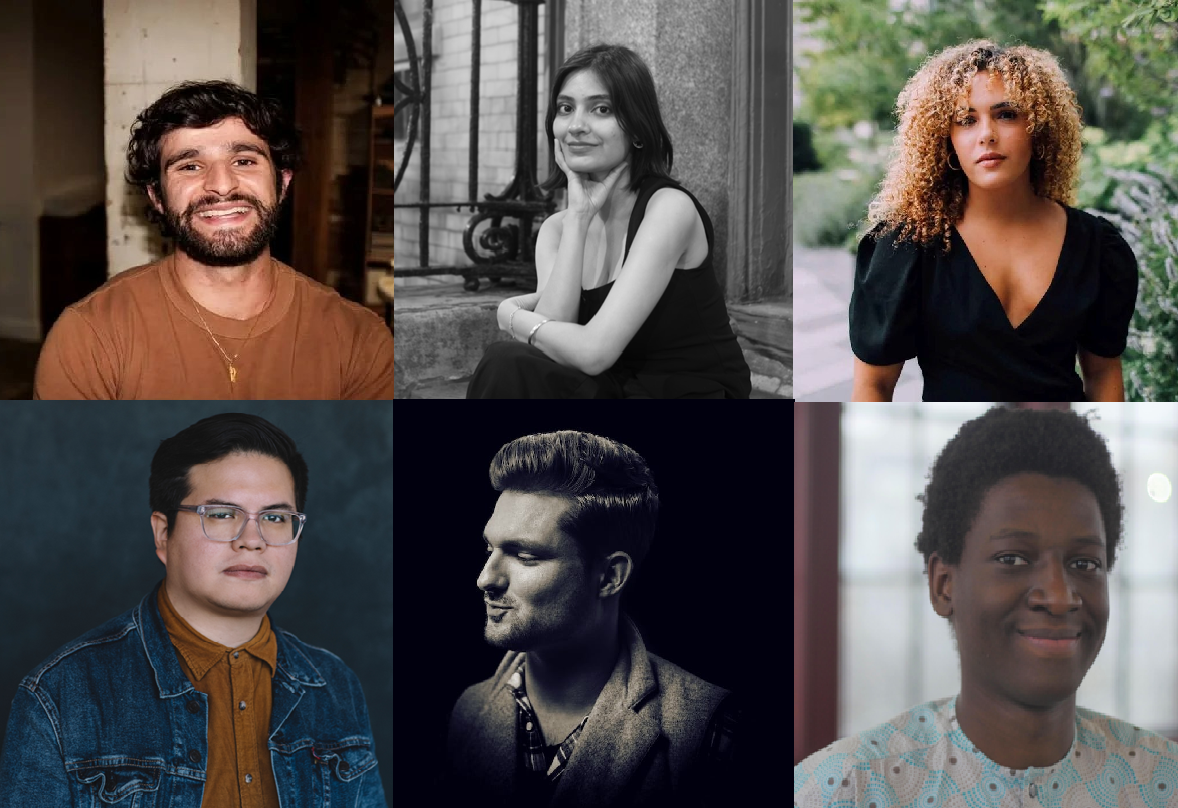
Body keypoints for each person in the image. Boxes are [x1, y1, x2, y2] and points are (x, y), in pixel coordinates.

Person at [794, 406, 1178, 808]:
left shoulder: (1162, 783)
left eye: (1084, 564)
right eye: (1013, 559)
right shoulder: (845, 789)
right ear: (944, 585)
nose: (1059, 596)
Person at [0, 413, 386, 806]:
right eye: (221, 515)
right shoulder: (61, 694)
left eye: (274, 518)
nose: (251, 540)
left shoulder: (337, 687)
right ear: (163, 534)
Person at [34, 80, 395, 400]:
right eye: (190, 166)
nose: (221, 185)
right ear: (157, 197)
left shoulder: (360, 341)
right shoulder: (90, 337)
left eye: (244, 161)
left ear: (282, 183)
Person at [446, 431, 738, 806]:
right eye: (490, 548)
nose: (486, 578)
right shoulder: (467, 711)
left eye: (525, 556)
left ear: (610, 576)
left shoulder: (711, 728)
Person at [849, 41, 1138, 402]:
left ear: (1039, 127)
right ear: (945, 140)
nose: (986, 133)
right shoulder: (906, 246)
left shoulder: (1096, 246)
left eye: (1006, 114)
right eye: (966, 120)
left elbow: (1102, 374)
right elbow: (873, 387)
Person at [466, 45, 751, 399]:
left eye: (601, 109)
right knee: (509, 362)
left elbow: (594, 352)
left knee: (508, 360)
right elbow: (549, 345)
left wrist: (508, 312)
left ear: (636, 127)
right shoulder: (557, 230)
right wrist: (579, 218)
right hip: (616, 389)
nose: (576, 126)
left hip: (687, 395)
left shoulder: (668, 209)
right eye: (565, 108)